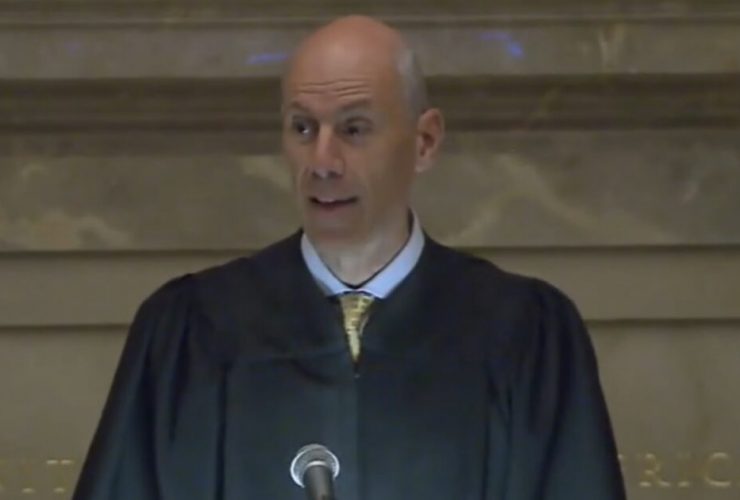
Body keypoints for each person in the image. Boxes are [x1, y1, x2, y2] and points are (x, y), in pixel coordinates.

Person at [73, 15, 626, 500]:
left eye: (354, 129)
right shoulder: (190, 330)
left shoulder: (523, 332)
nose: (322, 161)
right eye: (303, 128)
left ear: (425, 142)